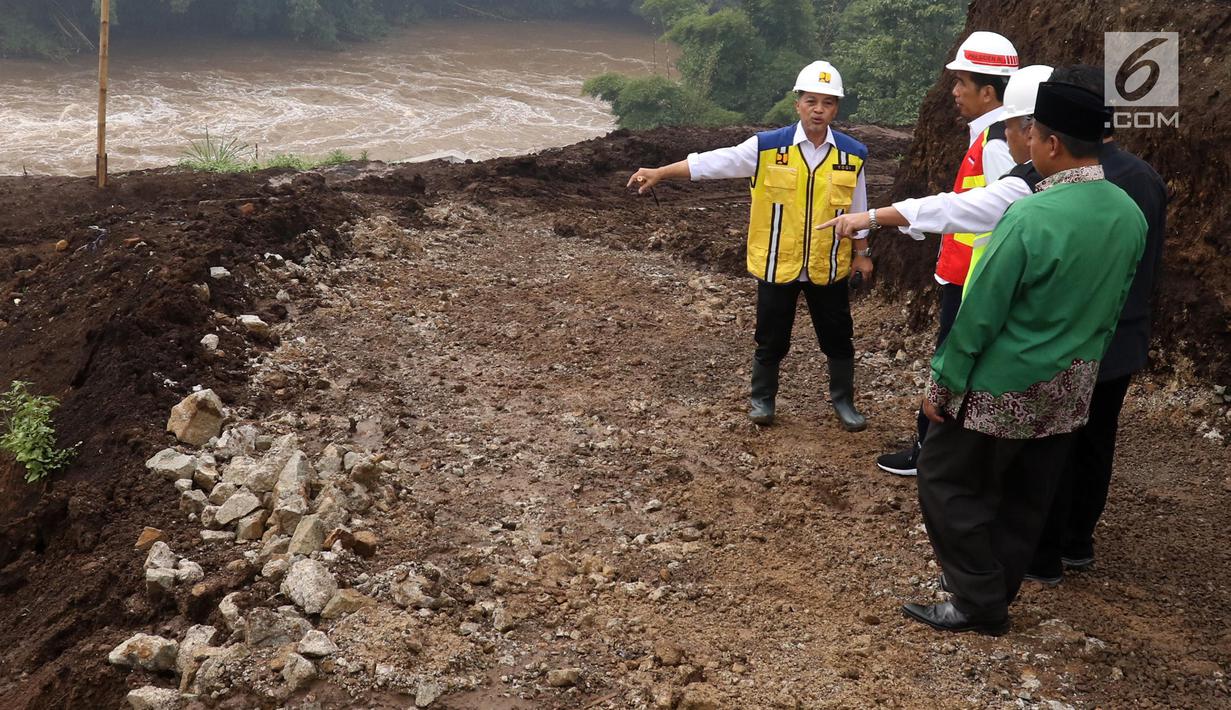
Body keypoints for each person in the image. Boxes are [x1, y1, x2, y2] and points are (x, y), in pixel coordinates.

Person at [901, 81, 1147, 635]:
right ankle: (994, 588)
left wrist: (943, 384)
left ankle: (976, 597)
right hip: (1071, 382)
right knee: (1026, 495)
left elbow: (981, 314)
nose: (1027, 142)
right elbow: (1114, 303)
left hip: (1002, 383)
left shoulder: (1032, 215)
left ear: (1052, 143)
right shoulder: (1128, 214)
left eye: (1032, 132)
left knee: (945, 477)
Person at [627, 61, 873, 431]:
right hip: (778, 263)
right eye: (811, 101)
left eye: (827, 102)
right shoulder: (766, 148)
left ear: (836, 108)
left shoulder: (852, 155)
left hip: (828, 265)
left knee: (839, 338)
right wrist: (662, 172)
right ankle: (763, 399)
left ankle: (844, 401)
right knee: (771, 338)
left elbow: (859, 208)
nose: (818, 109)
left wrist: (862, 253)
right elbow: (713, 163)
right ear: (798, 104)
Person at [1028, 65, 1169, 582]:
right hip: (1124, 336)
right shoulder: (1144, 177)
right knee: (1095, 441)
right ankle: (1077, 541)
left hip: (1078, 337)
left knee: (1053, 440)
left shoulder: (1073, 178)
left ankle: (1044, 551)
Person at [873, 31, 1021, 476]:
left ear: (988, 92)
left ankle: (932, 455)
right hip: (964, 273)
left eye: (962, 84)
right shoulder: (989, 136)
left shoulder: (997, 144)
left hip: (974, 281)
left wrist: (903, 217)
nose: (954, 93)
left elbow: (997, 214)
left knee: (951, 369)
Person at [819, 65, 1053, 260]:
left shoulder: (1020, 176)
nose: (1006, 133)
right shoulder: (1077, 181)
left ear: (1031, 131)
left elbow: (957, 208)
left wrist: (871, 217)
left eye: (1009, 126)